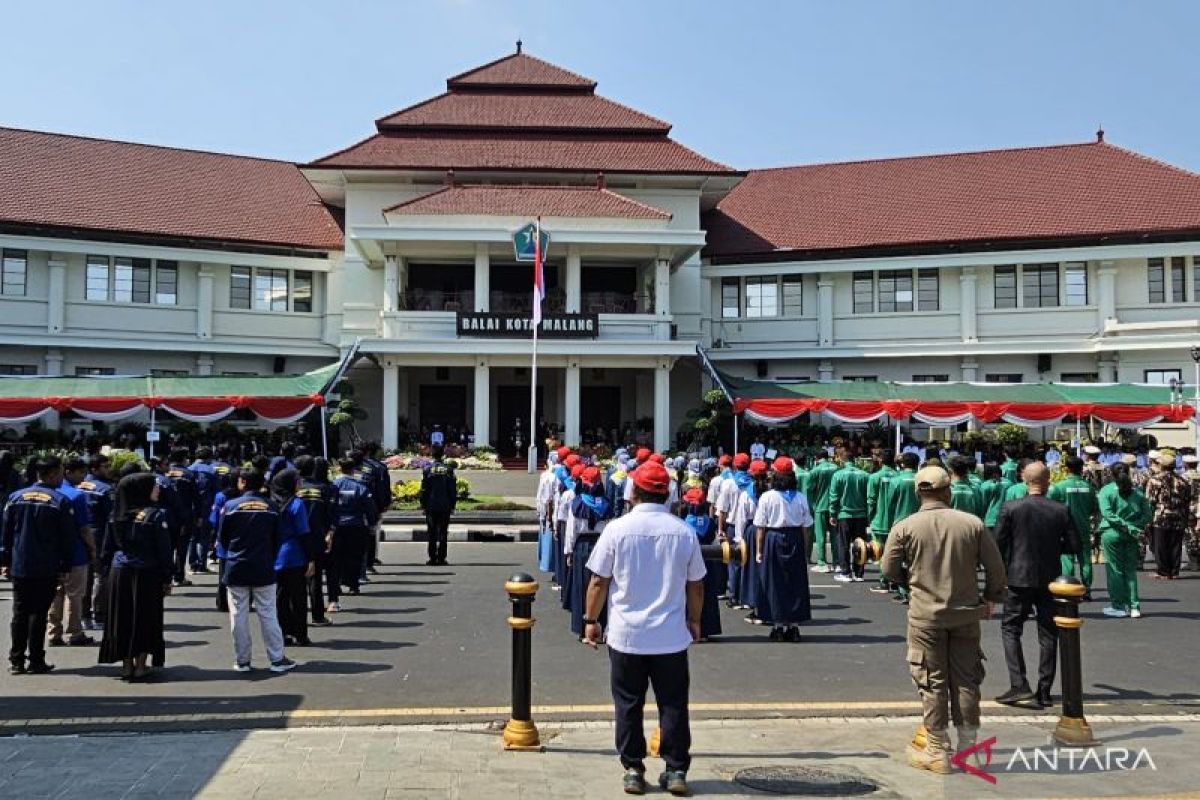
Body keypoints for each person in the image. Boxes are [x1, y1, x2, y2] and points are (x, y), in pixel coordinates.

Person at [582, 459, 705, 797]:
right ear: (666, 494)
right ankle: (676, 768)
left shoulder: (617, 529)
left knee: (628, 703)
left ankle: (634, 768)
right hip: (670, 635)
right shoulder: (683, 531)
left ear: (633, 491)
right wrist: (695, 620)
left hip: (627, 635)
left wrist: (591, 621)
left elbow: (598, 582)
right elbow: (696, 586)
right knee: (673, 704)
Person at [881, 465, 1006, 774]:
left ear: (917, 492)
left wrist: (910, 584)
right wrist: (990, 598)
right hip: (965, 613)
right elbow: (996, 568)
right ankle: (969, 749)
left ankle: (937, 750)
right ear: (948, 490)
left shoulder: (905, 526)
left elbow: (888, 569)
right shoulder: (972, 524)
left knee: (932, 681)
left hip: (925, 615)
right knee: (966, 680)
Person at [993, 462, 1078, 708]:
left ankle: (1019, 684)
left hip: (1018, 575)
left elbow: (997, 543)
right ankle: (1044, 690)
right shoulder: (1060, 509)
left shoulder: (1011, 507)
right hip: (1050, 577)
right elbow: (1074, 545)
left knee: (1011, 629)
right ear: (1049, 480)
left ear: (1023, 479)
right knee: (1048, 633)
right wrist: (1052, 547)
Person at [1, 456, 77, 674]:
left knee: (20, 613)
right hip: (46, 565)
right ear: (52, 474)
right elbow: (67, 538)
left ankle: (16, 660)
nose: (62, 477)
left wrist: (5, 561)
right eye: (61, 472)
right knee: (38, 613)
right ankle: (36, 660)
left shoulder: (15, 498)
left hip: (20, 564)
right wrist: (65, 567)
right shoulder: (60, 501)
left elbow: (5, 534)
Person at [216, 470, 297, 674]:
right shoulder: (271, 507)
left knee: (238, 614)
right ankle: (277, 659)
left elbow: (222, 537)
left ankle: (242, 660)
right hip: (263, 565)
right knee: (268, 613)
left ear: (242, 482)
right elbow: (278, 537)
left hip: (236, 566)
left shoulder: (231, 506)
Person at [98, 473, 172, 680]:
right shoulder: (155, 516)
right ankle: (141, 664)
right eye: (153, 486)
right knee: (145, 616)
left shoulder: (115, 516)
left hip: (119, 572)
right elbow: (164, 550)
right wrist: (167, 577)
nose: (158, 490)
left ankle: (126, 665)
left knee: (121, 617)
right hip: (147, 573)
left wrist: (105, 575)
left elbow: (106, 550)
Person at [754, 457, 814, 642]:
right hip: (795, 537)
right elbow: (806, 527)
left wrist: (759, 550)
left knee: (774, 582)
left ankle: (777, 626)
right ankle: (794, 627)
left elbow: (761, 527)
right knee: (795, 583)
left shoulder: (767, 497)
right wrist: (805, 551)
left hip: (773, 538)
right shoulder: (800, 497)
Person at [48, 457, 96, 647]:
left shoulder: (46, 492)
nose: (83, 476)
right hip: (75, 553)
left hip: (50, 554)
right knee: (74, 595)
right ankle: (75, 632)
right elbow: (84, 528)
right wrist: (93, 549)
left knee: (55, 594)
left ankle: (53, 632)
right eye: (80, 472)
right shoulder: (76, 496)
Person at [1098, 463, 1153, 618]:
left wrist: (1126, 526)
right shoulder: (1138, 493)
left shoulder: (1106, 491)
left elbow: (1107, 514)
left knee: (1114, 570)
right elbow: (1147, 515)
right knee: (1130, 571)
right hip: (1132, 535)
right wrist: (1133, 527)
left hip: (1112, 533)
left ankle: (1118, 606)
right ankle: (1134, 606)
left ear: (1112, 474)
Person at [566, 466, 614, 638]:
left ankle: (583, 628)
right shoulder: (606, 503)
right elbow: (609, 527)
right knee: (602, 585)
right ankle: (602, 625)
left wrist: (569, 551)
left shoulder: (578, 502)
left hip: (582, 545)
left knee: (582, 586)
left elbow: (572, 530)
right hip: (601, 543)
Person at [270, 469, 314, 647]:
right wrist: (311, 558)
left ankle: (284, 632)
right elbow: (304, 532)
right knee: (298, 598)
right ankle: (301, 635)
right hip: (295, 555)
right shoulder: (296, 504)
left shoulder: (271, 503)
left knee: (280, 597)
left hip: (275, 556)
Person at [1048, 456, 1100, 598]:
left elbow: (1050, 507)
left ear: (1066, 469)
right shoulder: (1089, 487)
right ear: (1081, 469)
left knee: (1067, 558)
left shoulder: (1058, 487)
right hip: (1083, 527)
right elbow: (1094, 508)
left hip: (1064, 528)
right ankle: (1087, 590)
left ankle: (1068, 587)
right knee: (1085, 560)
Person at [295, 456, 335, 627]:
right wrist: (330, 533)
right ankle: (318, 616)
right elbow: (331, 513)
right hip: (317, 536)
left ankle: (298, 618)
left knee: (296, 580)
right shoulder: (323, 488)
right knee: (315, 579)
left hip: (296, 537)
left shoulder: (293, 488)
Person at [331, 455, 377, 601]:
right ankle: (353, 585)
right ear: (353, 470)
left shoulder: (333, 485)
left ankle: (336, 585)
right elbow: (370, 508)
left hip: (337, 526)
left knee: (336, 557)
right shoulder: (360, 486)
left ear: (340, 468)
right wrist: (371, 524)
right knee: (355, 556)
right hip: (355, 525)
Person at [77, 455, 115, 632]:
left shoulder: (78, 486)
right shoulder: (106, 489)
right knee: (102, 575)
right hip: (100, 535)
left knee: (86, 576)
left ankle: (84, 615)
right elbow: (112, 517)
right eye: (105, 466)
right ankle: (99, 614)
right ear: (94, 468)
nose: (109, 469)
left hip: (80, 534)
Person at [679, 485, 721, 641]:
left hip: (688, 562)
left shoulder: (683, 523)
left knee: (687, 593)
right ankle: (707, 629)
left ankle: (686, 626)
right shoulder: (710, 522)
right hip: (708, 562)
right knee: (707, 595)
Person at [1144, 452, 1193, 580]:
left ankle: (1163, 571)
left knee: (1161, 544)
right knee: (1175, 544)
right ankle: (1174, 571)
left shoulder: (1155, 480)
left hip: (1161, 516)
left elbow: (1149, 500)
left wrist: (1147, 518)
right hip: (1178, 516)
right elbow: (1187, 499)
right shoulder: (1182, 480)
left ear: (1161, 465)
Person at [828, 451, 869, 583]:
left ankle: (846, 572)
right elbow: (869, 496)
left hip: (844, 514)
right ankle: (859, 573)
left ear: (842, 460)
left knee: (843, 544)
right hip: (861, 514)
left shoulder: (838, 475)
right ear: (855, 460)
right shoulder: (865, 475)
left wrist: (832, 513)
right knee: (860, 545)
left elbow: (834, 497)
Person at [420, 445, 457, 567]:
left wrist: (423, 505)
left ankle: (432, 558)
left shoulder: (427, 469)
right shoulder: (449, 470)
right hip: (445, 505)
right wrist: (452, 505)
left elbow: (424, 490)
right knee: (443, 532)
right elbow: (452, 490)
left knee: (431, 532)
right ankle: (441, 557)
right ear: (443, 454)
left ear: (432, 454)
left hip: (431, 505)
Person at [806, 451, 838, 573]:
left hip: (820, 506)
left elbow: (809, 489)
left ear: (817, 458)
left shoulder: (815, 470)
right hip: (834, 507)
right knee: (835, 536)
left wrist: (813, 505)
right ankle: (836, 562)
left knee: (820, 536)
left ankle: (822, 562)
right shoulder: (836, 468)